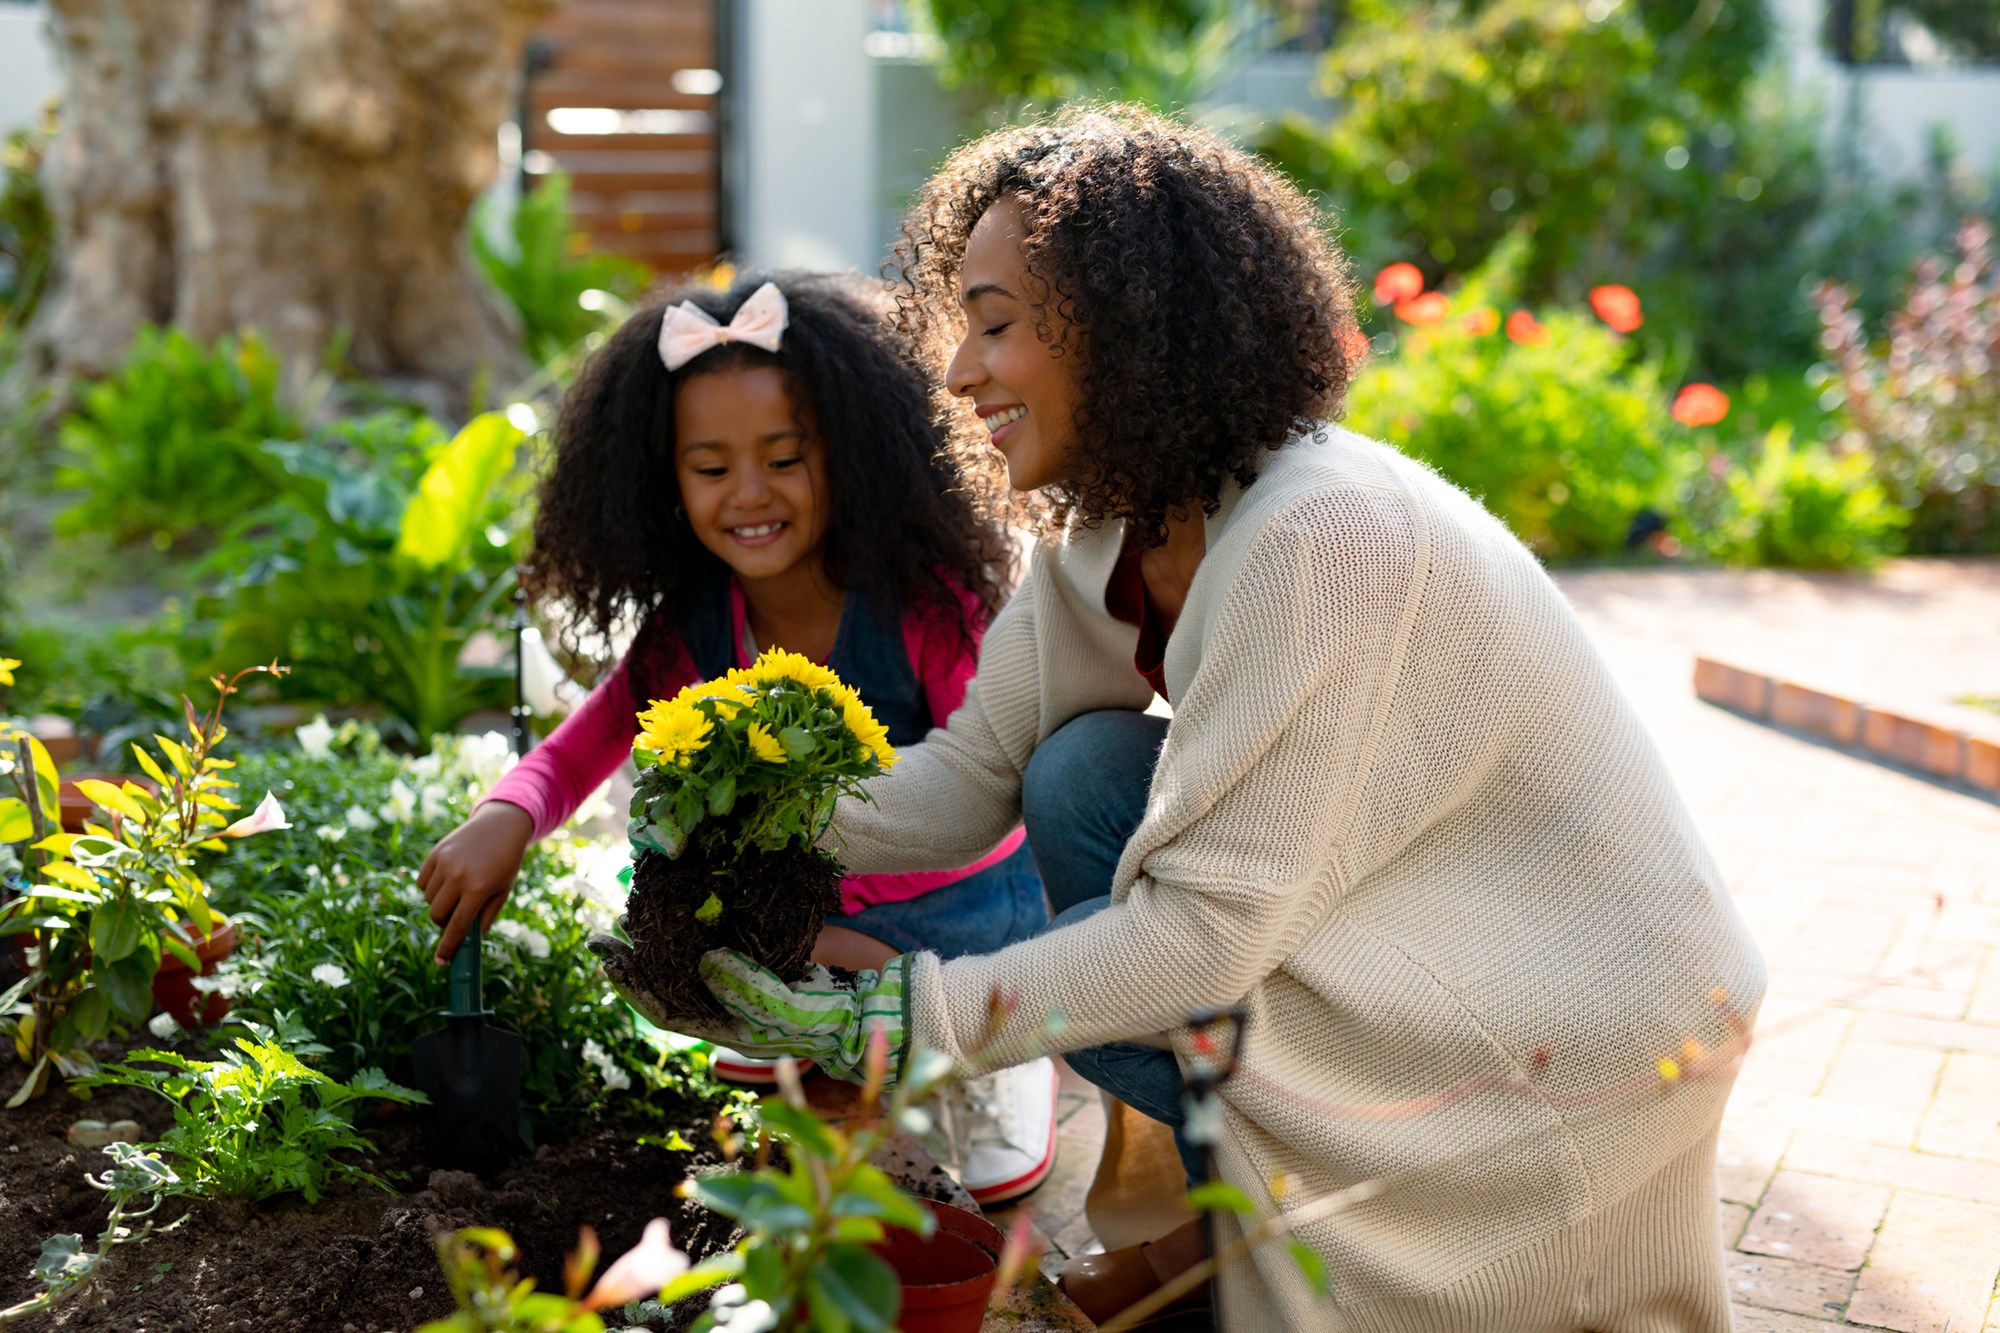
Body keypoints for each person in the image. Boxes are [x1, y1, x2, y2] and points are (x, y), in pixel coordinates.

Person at [595, 107, 1767, 1331]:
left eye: (994, 325)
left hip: (1574, 1005)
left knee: (1121, 955)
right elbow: (964, 779)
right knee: (1081, 773)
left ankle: (1238, 1251)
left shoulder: (1317, 535)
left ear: (1122, 330)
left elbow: (1199, 944)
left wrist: (901, 1018)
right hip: (1419, 914)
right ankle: (1217, 1239)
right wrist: (755, 813)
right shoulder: (1110, 528)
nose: (955, 371)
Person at [419, 273, 1059, 1205]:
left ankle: (994, 1064)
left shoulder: (922, 606)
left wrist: (828, 915)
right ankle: (833, 1060)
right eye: (712, 469)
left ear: (849, 456)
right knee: (677, 940)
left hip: (953, 919)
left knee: (817, 965)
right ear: (665, 484)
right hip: (813, 923)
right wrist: (504, 815)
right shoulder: (693, 622)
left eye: (785, 459)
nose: (749, 495)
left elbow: (1001, 798)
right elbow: (579, 747)